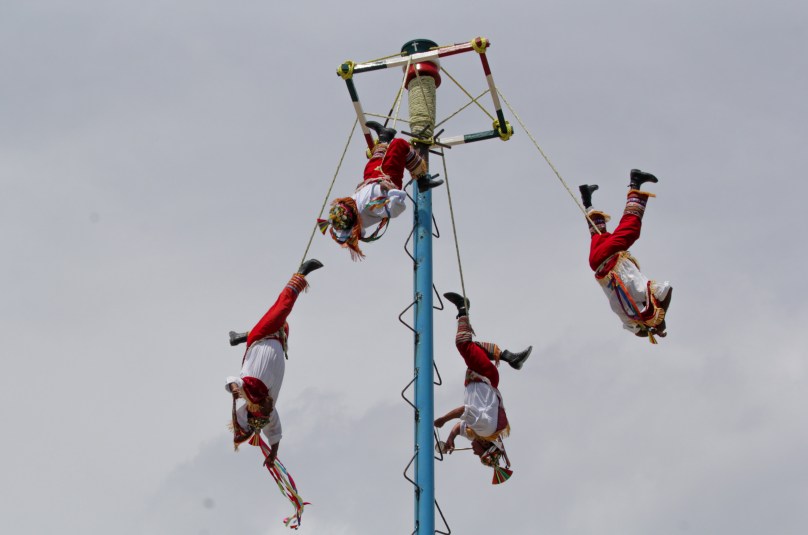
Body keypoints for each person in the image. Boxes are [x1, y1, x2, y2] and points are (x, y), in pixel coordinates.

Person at [225, 258, 323, 467]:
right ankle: (239, 336)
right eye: (268, 412)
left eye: (264, 409)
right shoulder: (268, 413)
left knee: (283, 308)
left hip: (262, 336)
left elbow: (233, 381)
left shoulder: (249, 390)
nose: (269, 408)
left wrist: (234, 389)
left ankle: (301, 273)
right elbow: (275, 433)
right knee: (284, 323)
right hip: (279, 337)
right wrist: (273, 455)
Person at [433, 292, 532, 484]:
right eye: (479, 455)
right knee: (463, 344)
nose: (474, 453)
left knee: (472, 346)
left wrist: (451, 438)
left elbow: (460, 427)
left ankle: (509, 357)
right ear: (486, 447)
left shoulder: (478, 432)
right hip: (484, 375)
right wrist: (443, 420)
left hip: (482, 377)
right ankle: (463, 307)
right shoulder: (484, 429)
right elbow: (463, 411)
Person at [318, 121, 443, 259]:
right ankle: (422, 178)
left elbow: (343, 227)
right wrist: (392, 191)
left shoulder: (350, 208)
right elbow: (394, 210)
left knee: (372, 165)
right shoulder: (369, 210)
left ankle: (384, 136)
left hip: (372, 179)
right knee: (399, 145)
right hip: (387, 179)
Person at [578, 169, 672, 342]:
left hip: (611, 257)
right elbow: (638, 332)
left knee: (631, 228)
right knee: (598, 234)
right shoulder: (628, 317)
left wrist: (661, 321)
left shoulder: (645, 294)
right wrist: (652, 330)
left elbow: (667, 290)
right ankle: (587, 201)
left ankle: (635, 182)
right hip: (596, 264)